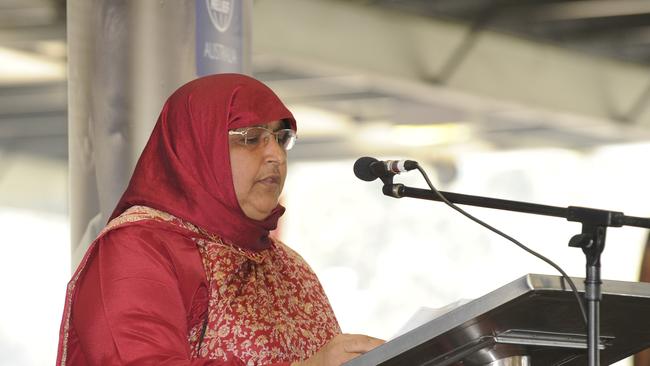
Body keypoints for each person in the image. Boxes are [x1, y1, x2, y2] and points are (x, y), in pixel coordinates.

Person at [56, 74, 383, 365]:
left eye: (282, 138)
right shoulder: (138, 248)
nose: (276, 156)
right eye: (251, 137)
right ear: (197, 144)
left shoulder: (289, 265)